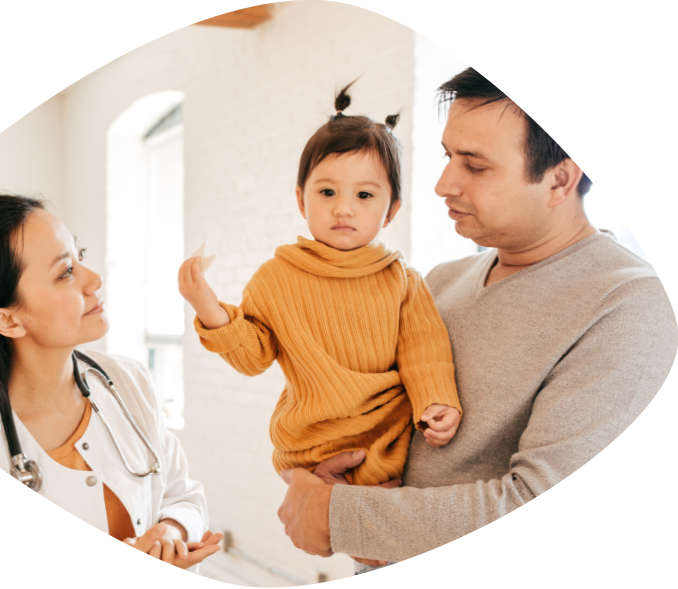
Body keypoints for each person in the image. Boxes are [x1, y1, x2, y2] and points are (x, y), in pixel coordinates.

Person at [276, 67, 678, 571]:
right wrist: (312, 478)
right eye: (448, 156)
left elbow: (532, 498)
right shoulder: (439, 282)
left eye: (475, 166)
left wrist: (337, 515)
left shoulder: (627, 307)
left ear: (559, 179)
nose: (444, 184)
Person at [178, 82, 463, 493]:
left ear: (391, 211)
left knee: (382, 522)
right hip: (310, 444)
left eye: (364, 195)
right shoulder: (276, 278)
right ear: (301, 200)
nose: (343, 207)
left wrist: (437, 400)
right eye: (327, 191)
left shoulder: (401, 278)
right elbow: (254, 356)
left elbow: (425, 351)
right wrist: (205, 304)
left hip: (385, 435)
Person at [0, 194, 222, 570]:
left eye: (81, 255)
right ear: (9, 320)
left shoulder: (127, 382)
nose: (95, 279)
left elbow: (182, 495)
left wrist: (171, 533)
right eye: (65, 272)